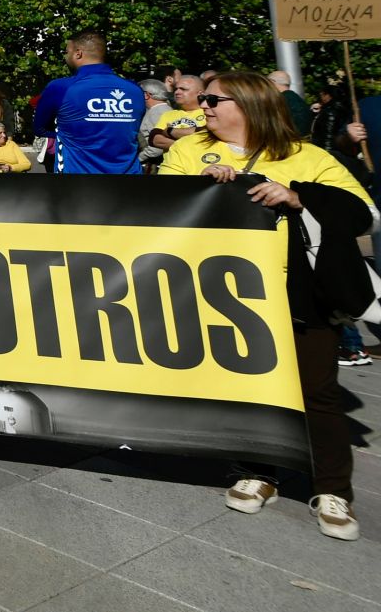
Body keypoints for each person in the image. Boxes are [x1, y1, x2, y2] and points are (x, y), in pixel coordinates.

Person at [161, 71, 376, 541]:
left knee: (317, 392)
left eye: (214, 99)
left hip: (301, 294)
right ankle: (260, 472)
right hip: (224, 294)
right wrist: (202, 188)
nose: (204, 106)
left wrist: (299, 197)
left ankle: (332, 488)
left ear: (248, 104)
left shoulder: (309, 156)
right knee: (248, 386)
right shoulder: (186, 150)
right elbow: (156, 208)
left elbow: (364, 213)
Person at [31, 31, 144, 174]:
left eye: (66, 52)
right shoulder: (134, 90)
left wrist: (69, 135)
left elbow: (39, 128)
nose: (65, 56)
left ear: (78, 53)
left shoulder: (60, 87)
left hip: (78, 181)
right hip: (128, 177)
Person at [135, 79, 172, 170]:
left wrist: (138, 159)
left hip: (155, 165)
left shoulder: (157, 112)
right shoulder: (168, 109)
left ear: (146, 95)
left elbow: (158, 147)